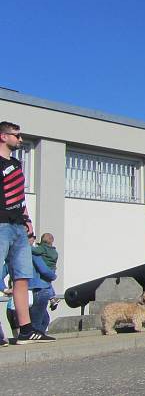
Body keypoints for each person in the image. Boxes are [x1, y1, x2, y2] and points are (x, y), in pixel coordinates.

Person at [0, 121, 55, 343]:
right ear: (3, 136)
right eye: (16, 135)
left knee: (22, 277)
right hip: (1, 224)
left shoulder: (16, 163)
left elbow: (20, 196)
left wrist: (27, 219)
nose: (20, 139)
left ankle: (26, 329)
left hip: (18, 227)